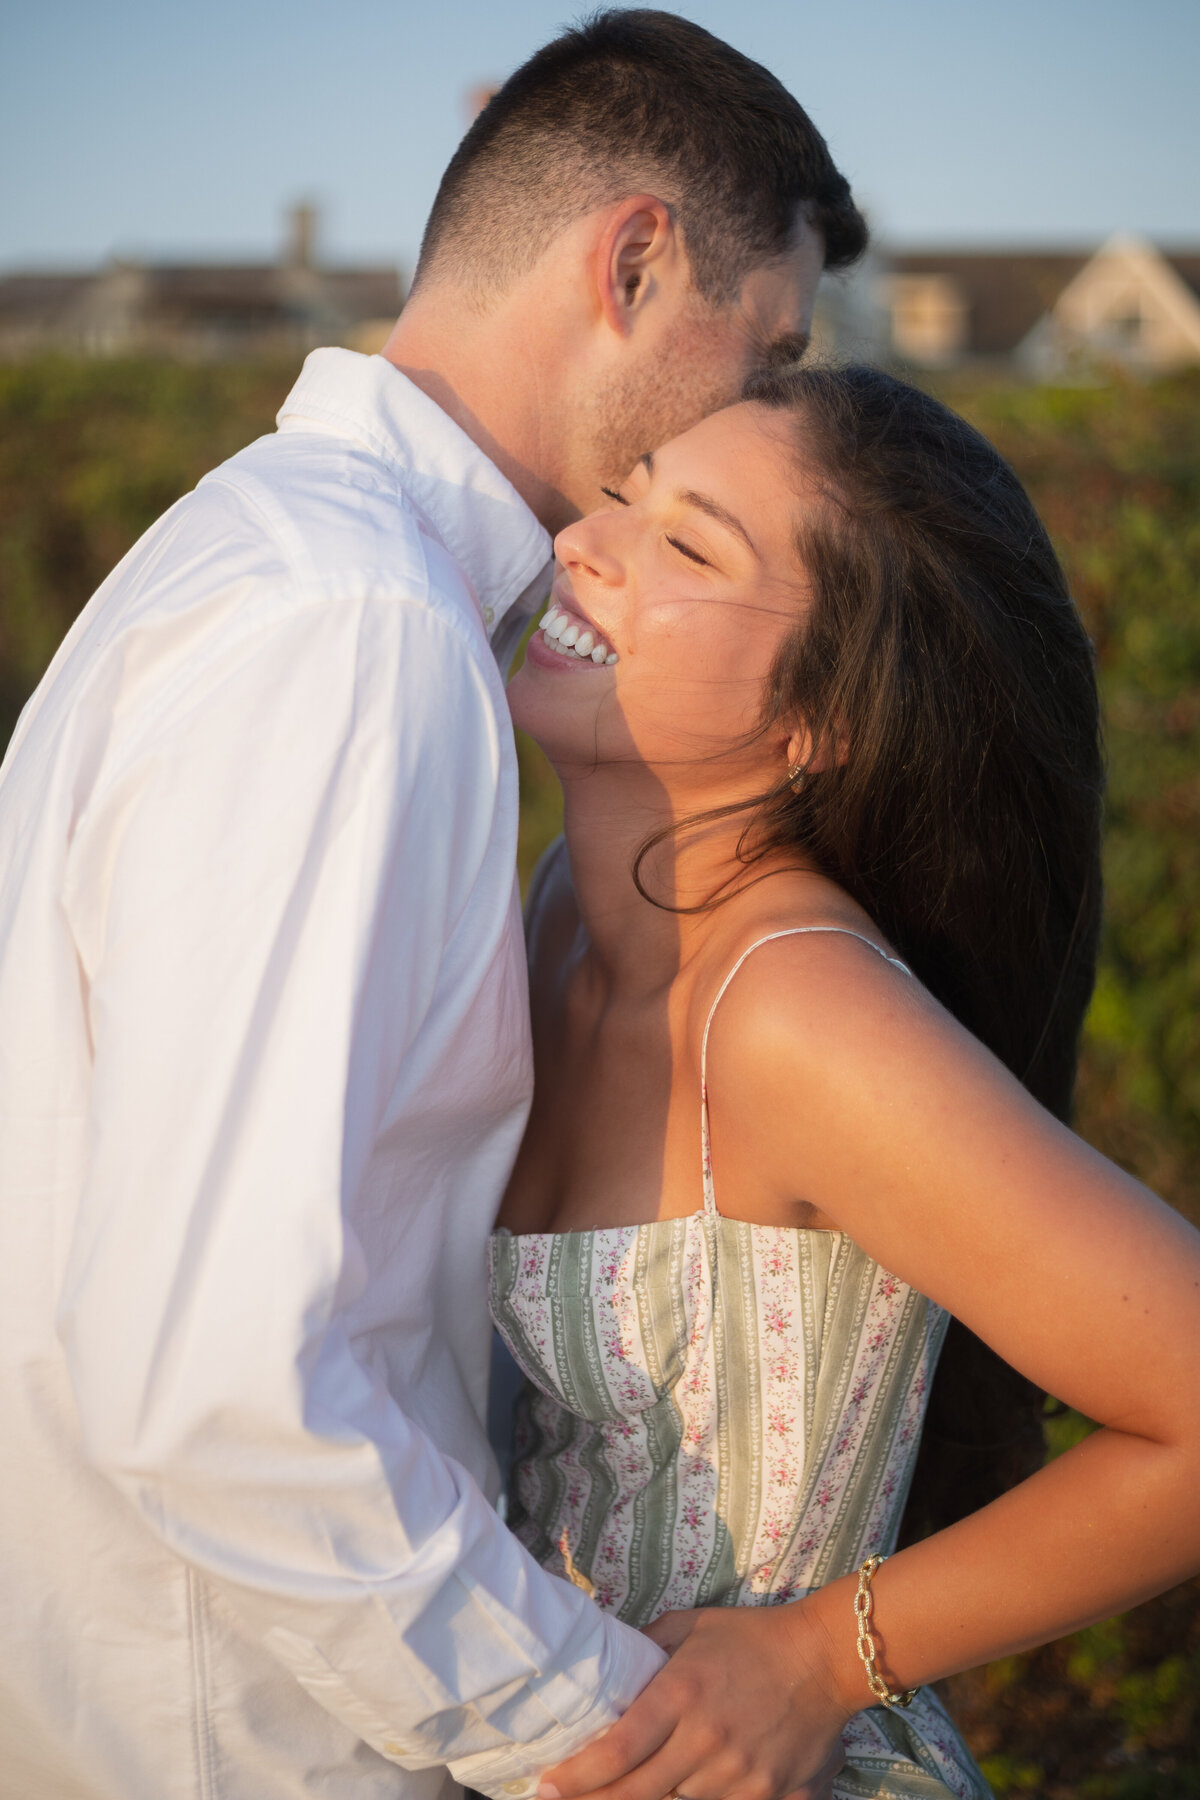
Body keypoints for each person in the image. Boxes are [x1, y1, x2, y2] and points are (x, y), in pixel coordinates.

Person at [0, 15, 867, 1800]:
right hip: (236, 1735)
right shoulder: (356, 627)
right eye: (762, 347)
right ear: (634, 260)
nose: (763, 407)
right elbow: (222, 1385)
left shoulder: (257, 550)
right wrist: (609, 1733)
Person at [493, 365, 1200, 1800]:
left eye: (689, 545)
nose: (586, 542)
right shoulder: (562, 899)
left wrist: (819, 1659)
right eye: (626, 491)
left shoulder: (795, 1010)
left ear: (821, 723)